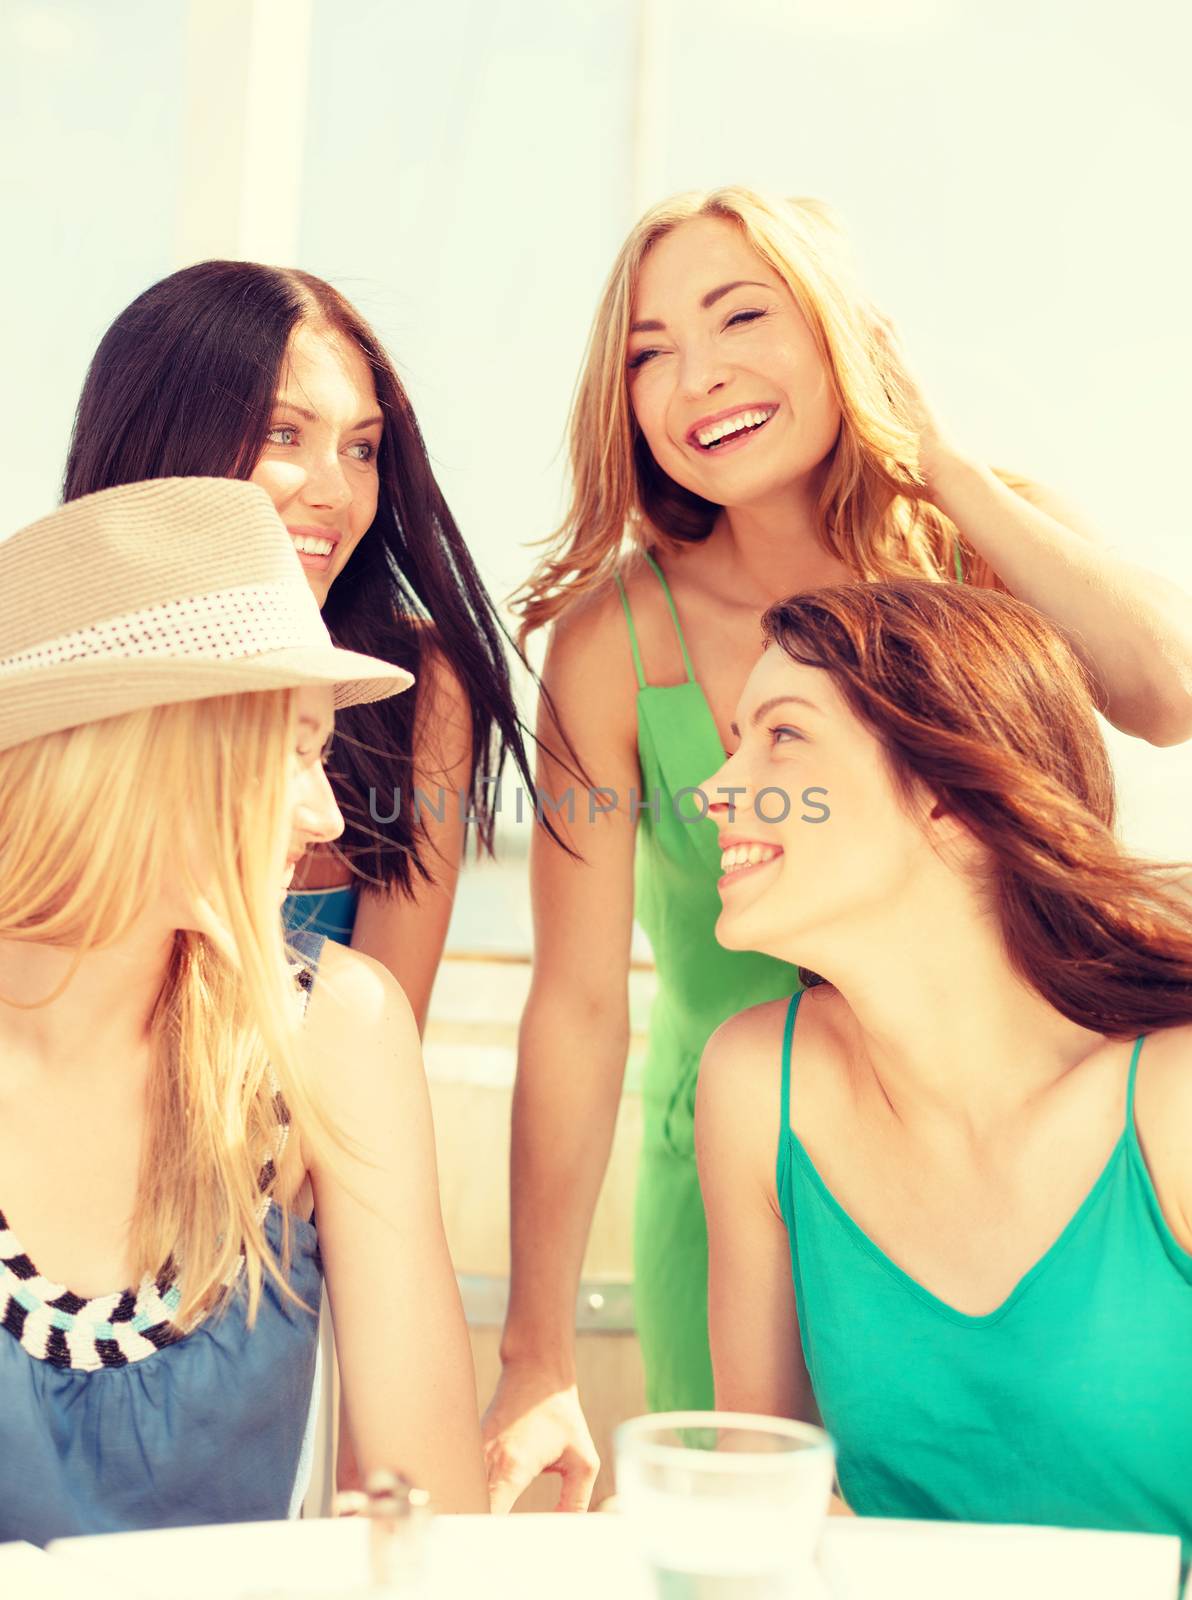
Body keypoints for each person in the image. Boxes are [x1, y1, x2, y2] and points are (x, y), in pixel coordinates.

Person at [484, 186, 1192, 1511]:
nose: (697, 378)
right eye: (647, 352)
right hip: (744, 1162)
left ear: (840, 335)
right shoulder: (608, 648)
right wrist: (534, 1347)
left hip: (1028, 1163)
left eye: (744, 314)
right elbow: (578, 1007)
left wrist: (946, 466)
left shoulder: (986, 550)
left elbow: (1169, 689)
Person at [0, 478, 488, 1544]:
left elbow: (430, 1516)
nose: (322, 816)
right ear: (152, 753)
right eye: (299, 748)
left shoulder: (333, 1030)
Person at [695, 578, 1192, 1553]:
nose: (713, 789)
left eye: (782, 736)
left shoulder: (1171, 1104)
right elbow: (762, 1503)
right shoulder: (757, 1084)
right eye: (732, 741)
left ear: (951, 804)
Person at [63, 260, 542, 1032]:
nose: (338, 492)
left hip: (306, 1138)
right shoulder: (45, 688)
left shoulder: (414, 687)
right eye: (286, 434)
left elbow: (384, 1041)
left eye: (361, 448)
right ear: (163, 439)